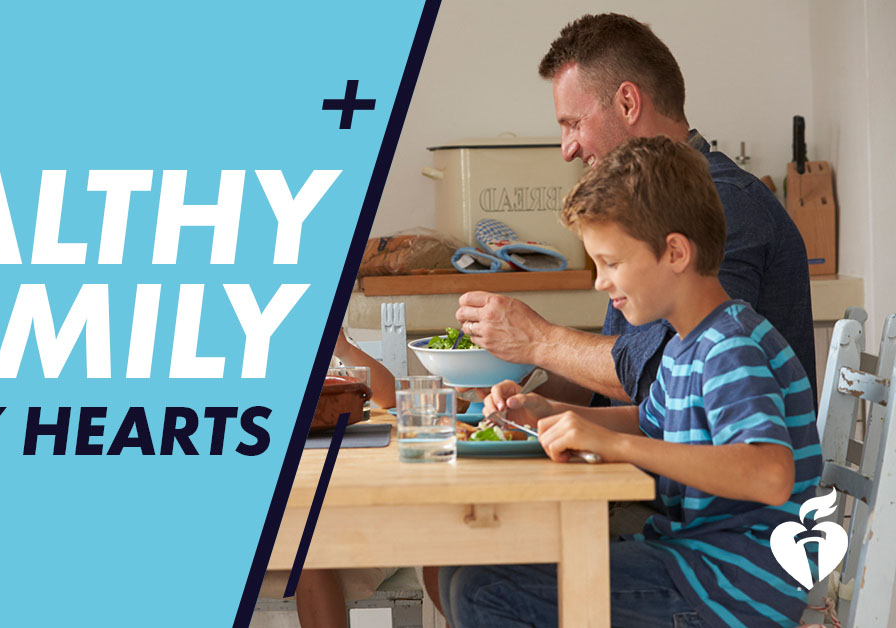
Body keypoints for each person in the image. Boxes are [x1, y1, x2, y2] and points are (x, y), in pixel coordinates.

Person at [441, 136, 822, 627]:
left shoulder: (731, 346)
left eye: (612, 263)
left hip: (735, 588)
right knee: (466, 569)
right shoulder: (691, 341)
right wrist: (552, 413)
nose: (600, 282)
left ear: (676, 253)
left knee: (485, 590)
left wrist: (614, 447)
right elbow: (647, 424)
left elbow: (770, 474)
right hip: (698, 565)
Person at [455, 13, 815, 411]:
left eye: (574, 123)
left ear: (628, 102)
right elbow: (643, 389)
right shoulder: (649, 207)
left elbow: (661, 372)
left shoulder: (722, 205)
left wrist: (539, 340)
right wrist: (529, 386)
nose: (566, 149)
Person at [257, 327, 398, 627]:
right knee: (307, 542)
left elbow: (390, 397)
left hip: (331, 509)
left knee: (310, 545)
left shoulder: (332, 366)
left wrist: (343, 348)